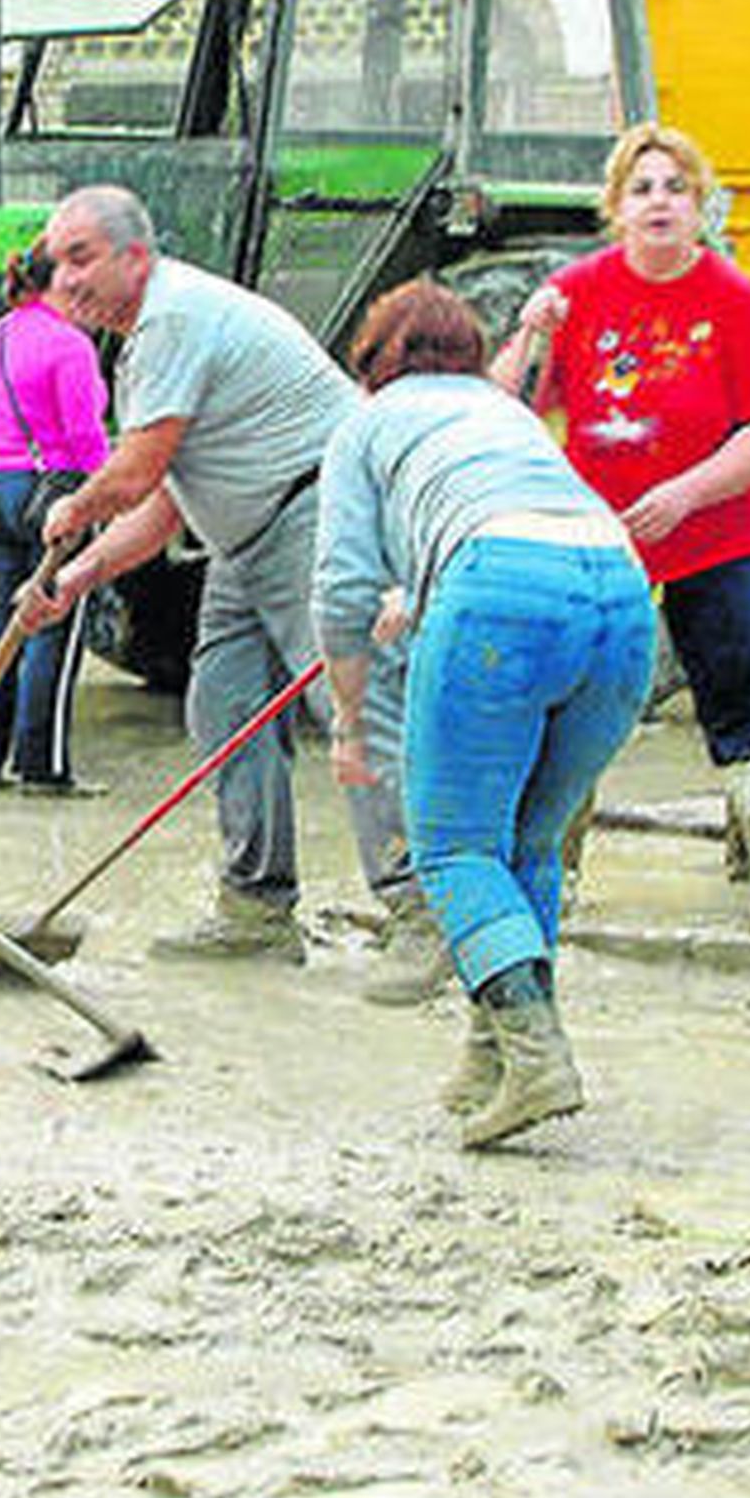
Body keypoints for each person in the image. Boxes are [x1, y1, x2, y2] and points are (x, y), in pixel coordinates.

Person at [20, 184, 415, 966]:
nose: (64, 279)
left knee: (359, 708)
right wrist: (81, 575)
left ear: (137, 256)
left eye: (81, 257)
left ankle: (422, 909)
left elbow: (134, 475)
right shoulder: (144, 343)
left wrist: (78, 505)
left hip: (315, 513)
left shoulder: (171, 317)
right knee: (223, 703)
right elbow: (167, 500)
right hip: (242, 536)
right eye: (54, 262)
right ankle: (257, 908)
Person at [314, 278, 657, 1149]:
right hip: (619, 591)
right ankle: (494, 1053)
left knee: (454, 847)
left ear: (372, 366)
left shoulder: (364, 424)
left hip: (502, 592)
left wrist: (350, 719)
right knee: (527, 845)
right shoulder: (503, 412)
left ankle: (538, 1057)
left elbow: (343, 588)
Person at [491, 121, 750, 936]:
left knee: (737, 696)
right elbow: (505, 407)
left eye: (675, 187)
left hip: (714, 535)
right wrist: (532, 329)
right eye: (642, 188)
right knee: (575, 699)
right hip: (601, 542)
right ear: (617, 208)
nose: (659, 201)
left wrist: (687, 492)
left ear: (700, 204)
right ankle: (550, 869)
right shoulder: (578, 291)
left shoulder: (734, 300)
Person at [0, 240, 110, 793]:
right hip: (51, 495)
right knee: (53, 627)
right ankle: (44, 768)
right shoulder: (70, 345)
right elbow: (85, 435)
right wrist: (107, 493)